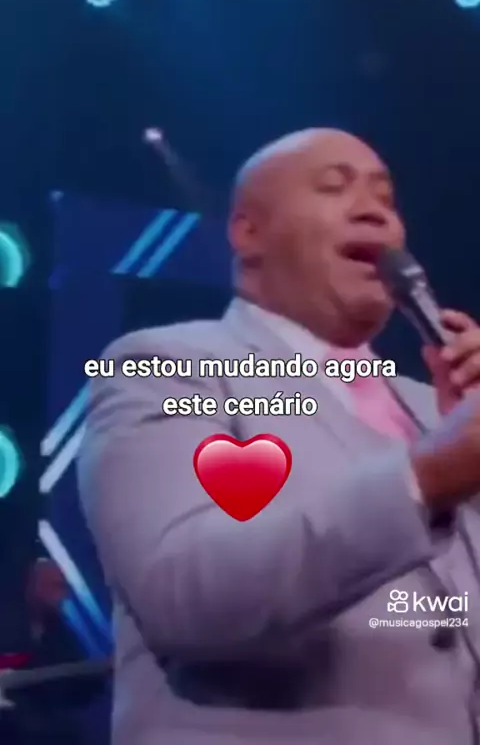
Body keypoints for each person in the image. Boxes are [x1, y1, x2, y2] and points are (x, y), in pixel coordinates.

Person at [78, 127, 480, 745]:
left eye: (387, 198)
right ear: (249, 233)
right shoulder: (165, 366)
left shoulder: (438, 407)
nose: (375, 211)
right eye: (334, 187)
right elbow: (180, 592)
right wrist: (427, 476)